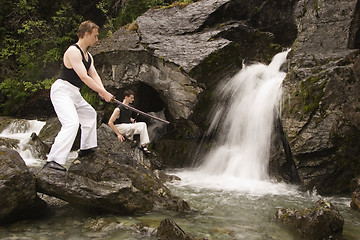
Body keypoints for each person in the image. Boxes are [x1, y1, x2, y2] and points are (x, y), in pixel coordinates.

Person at [43, 20, 113, 171]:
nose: (97, 39)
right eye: (95, 36)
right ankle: (53, 160)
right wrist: (102, 92)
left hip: (74, 92)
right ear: (86, 34)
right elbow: (84, 77)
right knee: (72, 123)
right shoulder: (73, 51)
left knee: (89, 114)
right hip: (61, 91)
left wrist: (103, 91)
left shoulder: (89, 56)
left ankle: (86, 148)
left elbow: (94, 75)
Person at [108, 90, 151, 154]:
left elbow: (126, 117)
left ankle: (144, 146)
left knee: (143, 125)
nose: (133, 100)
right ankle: (130, 139)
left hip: (127, 126)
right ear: (126, 97)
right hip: (120, 127)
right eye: (131, 98)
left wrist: (132, 120)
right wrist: (118, 134)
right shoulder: (118, 109)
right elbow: (110, 122)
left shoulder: (130, 108)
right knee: (131, 127)